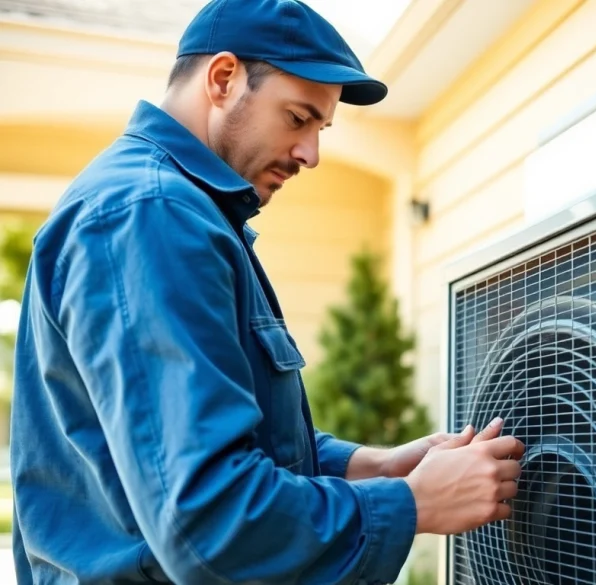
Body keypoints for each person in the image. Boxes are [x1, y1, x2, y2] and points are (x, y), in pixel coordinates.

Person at [8, 0, 525, 583]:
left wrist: (372, 466)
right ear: (223, 78)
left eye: (320, 129)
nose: (311, 154)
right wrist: (413, 504)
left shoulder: (175, 211)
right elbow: (209, 521)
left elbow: (216, 442)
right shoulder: (151, 215)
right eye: (299, 118)